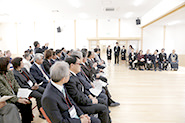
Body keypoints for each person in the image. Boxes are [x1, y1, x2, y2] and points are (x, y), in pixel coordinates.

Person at [65, 56, 111, 123]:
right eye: (78, 64)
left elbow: (82, 88)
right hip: (80, 105)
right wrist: (91, 101)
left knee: (102, 101)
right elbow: (77, 98)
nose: (80, 66)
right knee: (103, 108)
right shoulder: (70, 79)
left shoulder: (74, 75)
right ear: (72, 65)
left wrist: (89, 96)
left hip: (84, 99)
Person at [0, 57, 33, 123]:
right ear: (4, 66)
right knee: (23, 105)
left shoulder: (9, 72)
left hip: (15, 95)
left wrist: (21, 93)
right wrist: (17, 99)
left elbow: (16, 85)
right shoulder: (0, 77)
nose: (10, 65)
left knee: (28, 102)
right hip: (8, 99)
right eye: (8, 64)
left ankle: (27, 121)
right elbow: (4, 92)